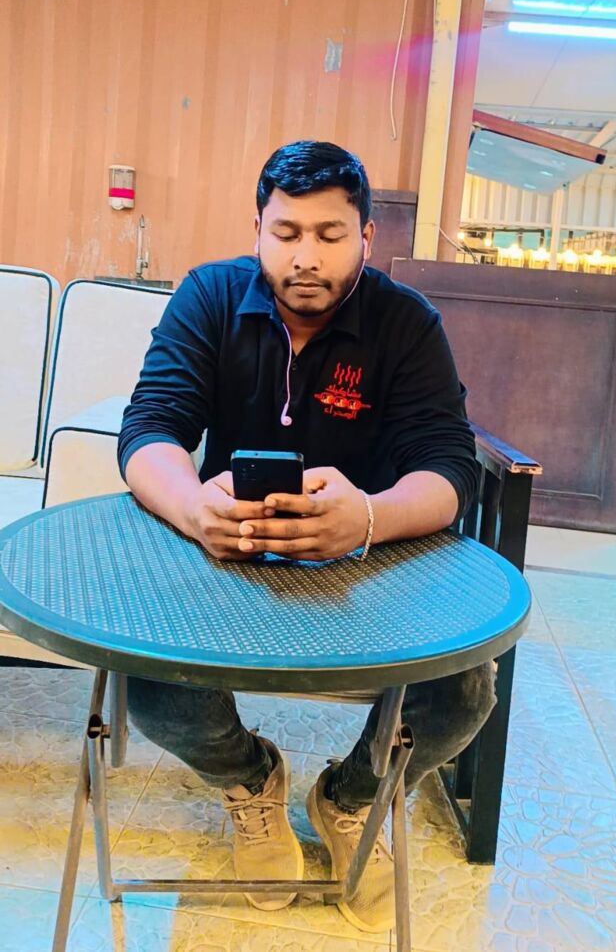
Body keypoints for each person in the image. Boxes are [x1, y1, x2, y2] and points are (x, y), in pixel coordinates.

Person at [118, 140, 496, 934]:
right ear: (257, 229)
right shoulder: (210, 297)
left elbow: (449, 467)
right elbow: (150, 429)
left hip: (372, 567)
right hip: (228, 558)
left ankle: (351, 797)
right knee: (145, 676)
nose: (306, 257)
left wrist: (369, 517)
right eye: (286, 233)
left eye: (330, 234)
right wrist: (192, 508)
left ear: (366, 237)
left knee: (465, 689)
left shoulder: (406, 323)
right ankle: (250, 779)